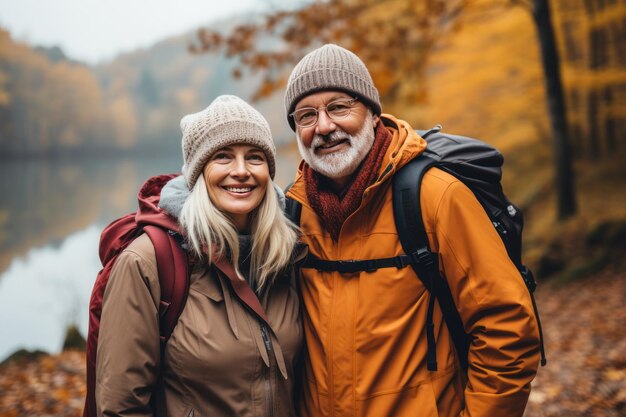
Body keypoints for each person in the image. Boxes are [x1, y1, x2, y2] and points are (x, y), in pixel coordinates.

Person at [283, 44, 541, 417]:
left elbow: (507, 329)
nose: (324, 126)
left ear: (373, 114)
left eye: (339, 107)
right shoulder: (295, 214)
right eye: (306, 116)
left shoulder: (435, 196)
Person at [95, 95, 304, 417]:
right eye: (222, 156)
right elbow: (121, 406)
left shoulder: (284, 254)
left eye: (255, 157)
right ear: (198, 172)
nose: (241, 171)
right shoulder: (148, 261)